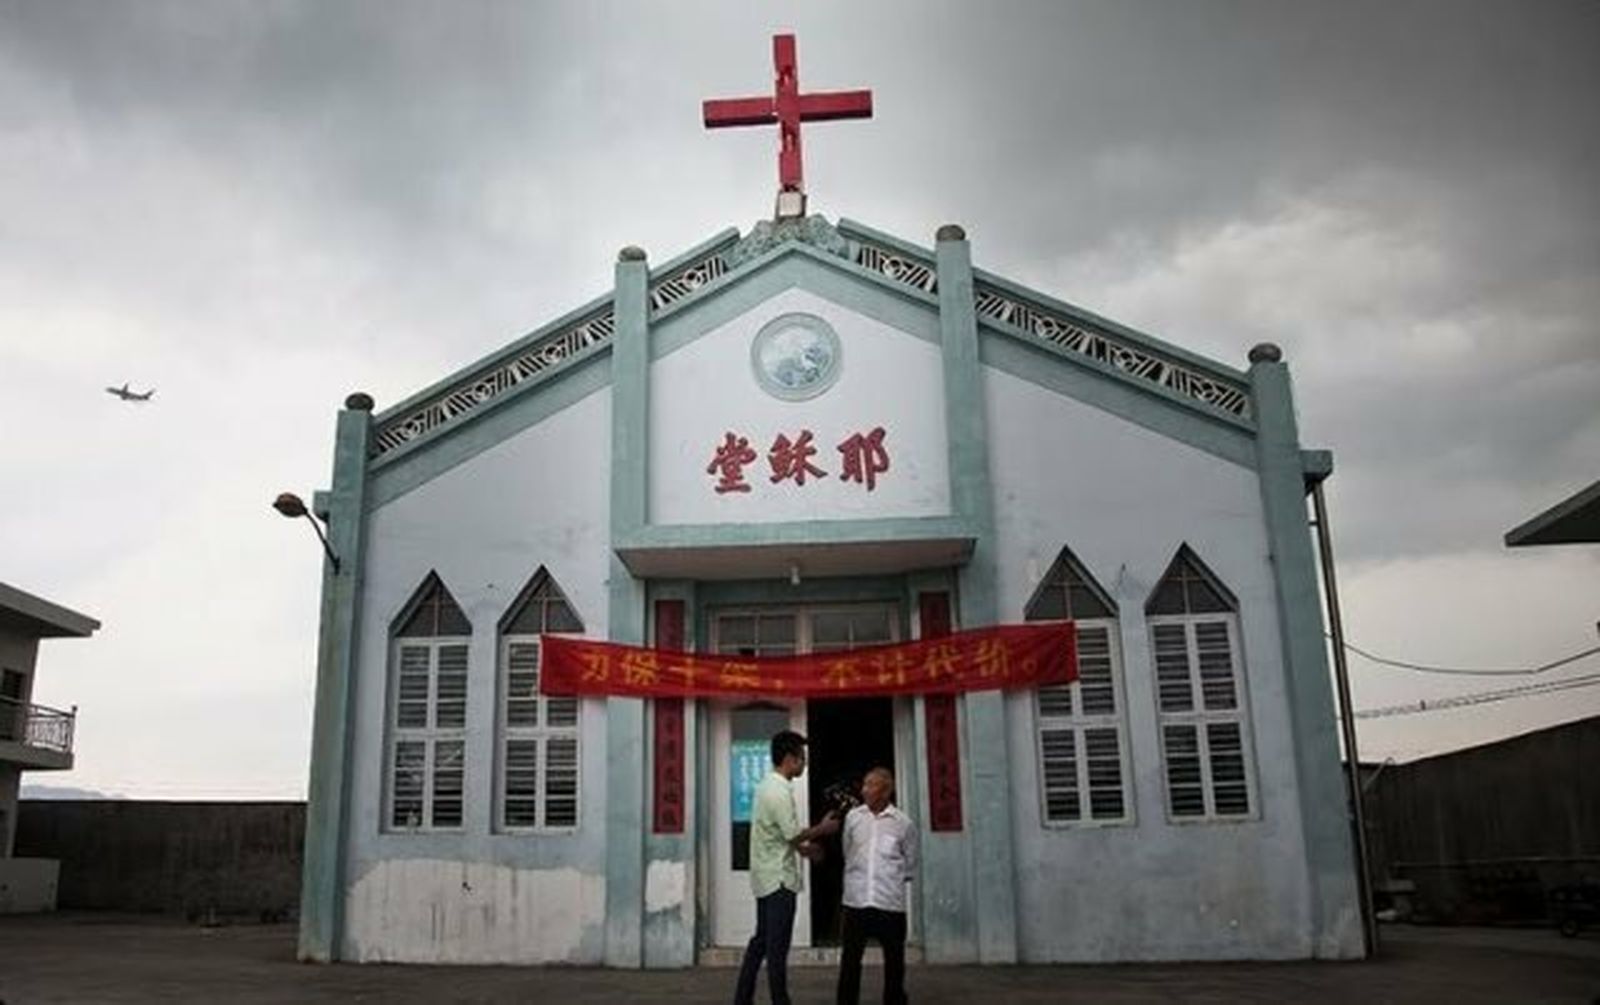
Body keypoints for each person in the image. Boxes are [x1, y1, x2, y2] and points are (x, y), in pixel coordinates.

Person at [733, 729, 841, 1005]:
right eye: (802, 758)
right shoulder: (779, 792)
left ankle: (742, 998)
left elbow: (776, 835)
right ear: (790, 759)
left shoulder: (765, 786)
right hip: (778, 881)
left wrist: (804, 850)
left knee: (761, 942)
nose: (805, 763)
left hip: (766, 877)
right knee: (776, 949)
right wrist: (823, 828)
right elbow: (791, 834)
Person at [836, 767, 918, 1005]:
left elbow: (910, 863)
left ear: (886, 791)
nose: (864, 790)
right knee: (850, 961)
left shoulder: (903, 823)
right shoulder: (854, 818)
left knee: (894, 962)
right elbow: (848, 851)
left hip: (889, 903)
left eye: (871, 785)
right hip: (856, 901)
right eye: (864, 784)